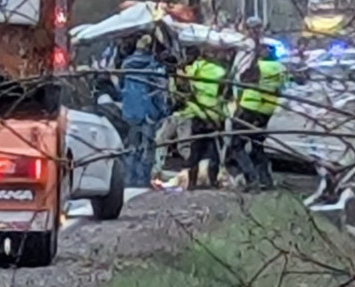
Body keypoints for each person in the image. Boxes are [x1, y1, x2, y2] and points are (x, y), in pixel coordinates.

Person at [232, 42, 288, 190]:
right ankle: (266, 180)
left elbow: (243, 80)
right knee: (257, 145)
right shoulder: (282, 68)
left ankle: (252, 179)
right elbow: (282, 88)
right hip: (267, 110)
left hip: (250, 107)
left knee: (236, 145)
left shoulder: (259, 66)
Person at [119, 34, 168, 187]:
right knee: (147, 146)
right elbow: (158, 91)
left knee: (131, 145)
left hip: (129, 110)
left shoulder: (126, 64)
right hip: (148, 111)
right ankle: (143, 179)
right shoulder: (152, 66)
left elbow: (121, 86)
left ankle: (129, 178)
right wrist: (163, 110)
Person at [178, 46, 229, 189]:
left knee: (196, 150)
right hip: (215, 115)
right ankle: (213, 182)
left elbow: (182, 79)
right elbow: (224, 93)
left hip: (198, 112)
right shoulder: (221, 72)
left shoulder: (195, 68)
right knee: (214, 151)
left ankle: (192, 184)